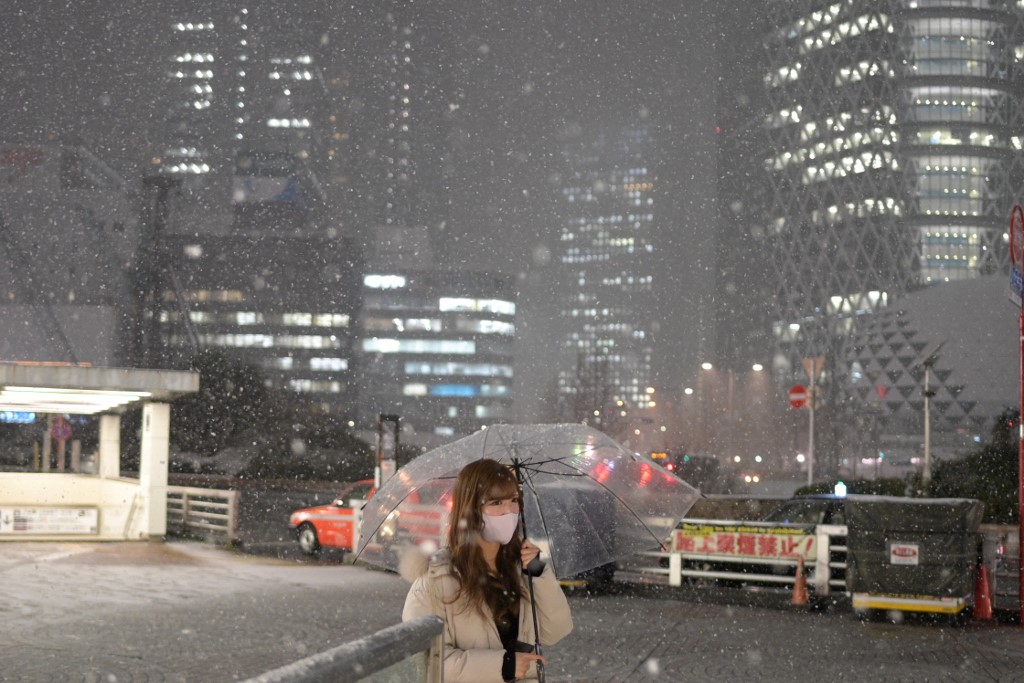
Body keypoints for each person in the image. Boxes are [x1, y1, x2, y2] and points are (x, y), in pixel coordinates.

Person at [401, 458, 573, 683]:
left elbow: (556, 630)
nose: (509, 510)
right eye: (496, 502)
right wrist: (503, 665)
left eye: (514, 500)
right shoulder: (436, 580)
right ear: (471, 510)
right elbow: (426, 662)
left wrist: (539, 573)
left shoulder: (520, 568)